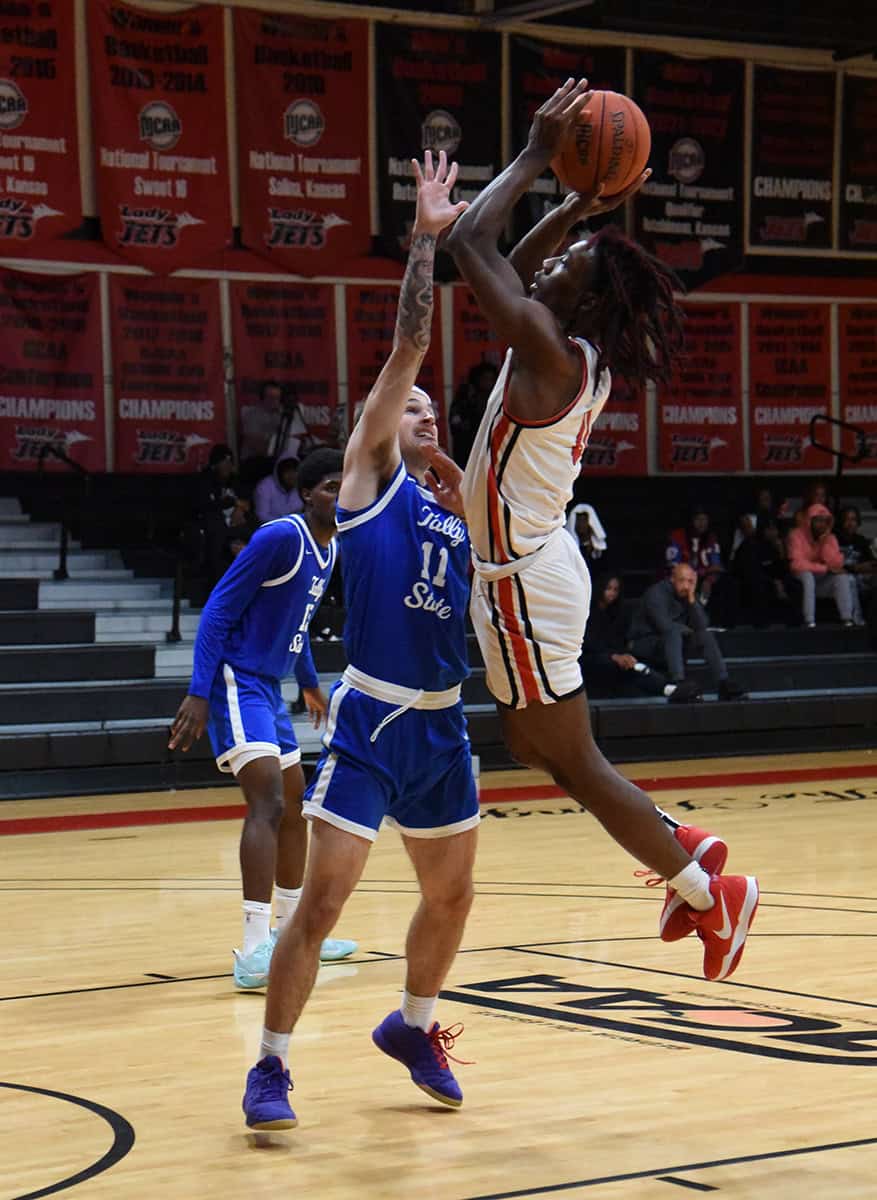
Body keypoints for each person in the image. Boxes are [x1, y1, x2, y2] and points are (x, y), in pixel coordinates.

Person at [444, 78, 758, 983]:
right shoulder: (561, 343)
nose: (546, 266)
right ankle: (680, 841)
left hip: (525, 582)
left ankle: (706, 890)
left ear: (578, 305)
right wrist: (580, 203)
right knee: (530, 744)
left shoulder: (546, 351)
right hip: (523, 574)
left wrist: (541, 154)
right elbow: (513, 260)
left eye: (568, 264)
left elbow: (474, 243)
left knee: (570, 758)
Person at [241, 150, 476, 1132]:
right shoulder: (370, 476)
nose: (422, 410)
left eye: (429, 410)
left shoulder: (453, 507)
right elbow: (408, 352)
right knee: (326, 902)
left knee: (452, 899)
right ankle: (271, 1067)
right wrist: (425, 239)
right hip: (374, 719)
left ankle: (414, 1025)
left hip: (445, 726)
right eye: (409, 407)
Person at [169, 448, 357, 989]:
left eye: (345, 489)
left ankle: (297, 933)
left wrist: (309, 681)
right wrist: (199, 692)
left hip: (271, 688)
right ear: (306, 493)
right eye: (328, 488)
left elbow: (295, 622)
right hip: (236, 679)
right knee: (269, 803)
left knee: (297, 806)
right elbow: (219, 610)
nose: (338, 497)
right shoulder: (281, 538)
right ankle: (253, 949)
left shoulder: (330, 549)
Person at [629, 564, 748, 699]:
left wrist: (692, 600)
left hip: (673, 642)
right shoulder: (656, 593)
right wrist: (690, 631)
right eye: (682, 580)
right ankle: (678, 683)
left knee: (705, 635)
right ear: (672, 579)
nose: (686, 586)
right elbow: (664, 625)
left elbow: (702, 625)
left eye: (690, 581)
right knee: (673, 631)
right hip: (646, 641)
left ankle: (724, 683)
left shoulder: (688, 594)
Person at [581, 573, 700, 701]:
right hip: (592, 658)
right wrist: (613, 656)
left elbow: (619, 641)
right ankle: (670, 689)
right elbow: (589, 643)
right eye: (608, 589)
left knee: (638, 667)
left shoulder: (617, 613)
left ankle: (670, 689)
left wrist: (622, 655)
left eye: (615, 590)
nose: (612, 593)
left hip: (615, 656)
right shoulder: (587, 613)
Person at [786, 503, 858, 627]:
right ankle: (809, 620)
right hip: (799, 580)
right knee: (807, 576)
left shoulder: (830, 538)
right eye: (818, 521)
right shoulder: (796, 535)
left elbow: (836, 565)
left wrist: (825, 542)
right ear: (810, 521)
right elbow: (796, 564)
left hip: (820, 581)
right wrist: (824, 568)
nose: (822, 524)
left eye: (825, 521)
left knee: (842, 577)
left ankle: (847, 619)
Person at [195, 444, 253, 588]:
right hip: (213, 527)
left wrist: (239, 509)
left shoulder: (235, 480)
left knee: (255, 533)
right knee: (218, 536)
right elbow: (205, 505)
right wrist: (233, 502)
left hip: (236, 526)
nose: (227, 466)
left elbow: (246, 502)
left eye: (229, 462)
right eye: (224, 462)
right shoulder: (205, 480)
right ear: (215, 464)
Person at [731, 515, 802, 627]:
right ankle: (762, 625)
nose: (774, 532)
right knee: (761, 586)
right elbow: (751, 570)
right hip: (752, 580)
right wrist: (774, 582)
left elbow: (783, 570)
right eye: (770, 529)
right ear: (763, 530)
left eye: (775, 529)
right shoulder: (751, 544)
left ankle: (794, 624)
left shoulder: (776, 545)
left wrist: (781, 553)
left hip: (774, 579)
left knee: (796, 585)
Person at [449, 361, 499, 467]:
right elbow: (455, 424)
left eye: (491, 379)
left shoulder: (497, 399)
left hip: (491, 454)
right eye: (485, 379)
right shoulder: (464, 398)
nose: (488, 382)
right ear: (477, 379)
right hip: (467, 452)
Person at [836, 505, 876, 625]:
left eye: (853, 520)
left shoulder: (861, 540)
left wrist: (869, 566)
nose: (851, 523)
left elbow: (872, 561)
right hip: (843, 576)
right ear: (841, 521)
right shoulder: (834, 540)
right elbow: (833, 565)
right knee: (850, 579)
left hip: (862, 576)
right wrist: (855, 568)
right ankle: (856, 620)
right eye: (847, 519)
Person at [253, 453, 303, 524]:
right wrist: (284, 524)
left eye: (295, 471)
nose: (292, 475)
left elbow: (299, 511)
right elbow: (262, 516)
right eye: (287, 471)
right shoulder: (264, 487)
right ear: (279, 472)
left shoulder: (299, 487)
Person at [566, 502, 608, 571]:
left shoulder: (599, 549)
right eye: (579, 520)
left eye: (584, 520)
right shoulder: (569, 547)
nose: (581, 524)